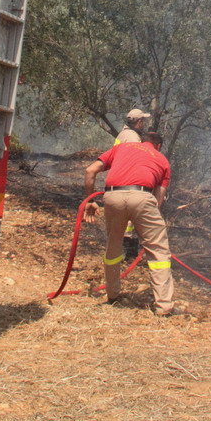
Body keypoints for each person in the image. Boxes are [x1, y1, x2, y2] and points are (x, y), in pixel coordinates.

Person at [83, 131, 174, 316]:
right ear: (158, 146)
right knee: (159, 251)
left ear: (141, 142)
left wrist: (89, 202)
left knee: (113, 246)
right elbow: (158, 200)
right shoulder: (162, 160)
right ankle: (164, 306)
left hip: (112, 196)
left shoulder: (121, 148)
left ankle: (112, 295)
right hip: (143, 196)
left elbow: (90, 171)